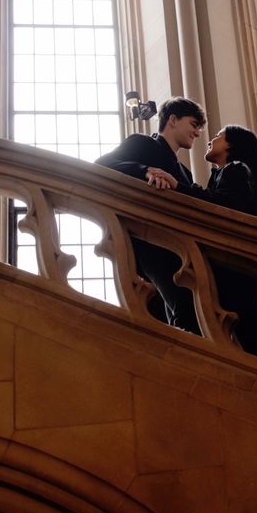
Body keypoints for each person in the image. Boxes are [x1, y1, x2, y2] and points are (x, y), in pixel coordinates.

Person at [147, 124, 257, 364]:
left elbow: (221, 208)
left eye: (218, 136)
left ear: (232, 145)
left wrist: (178, 187)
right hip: (247, 277)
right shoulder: (232, 173)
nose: (211, 139)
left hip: (241, 278)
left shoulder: (235, 169)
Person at [95, 97, 206, 335]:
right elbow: (102, 164)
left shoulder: (184, 173)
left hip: (181, 250)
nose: (197, 133)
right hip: (149, 245)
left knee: (183, 318)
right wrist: (144, 171)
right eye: (194, 124)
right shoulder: (143, 144)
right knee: (182, 314)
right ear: (173, 120)